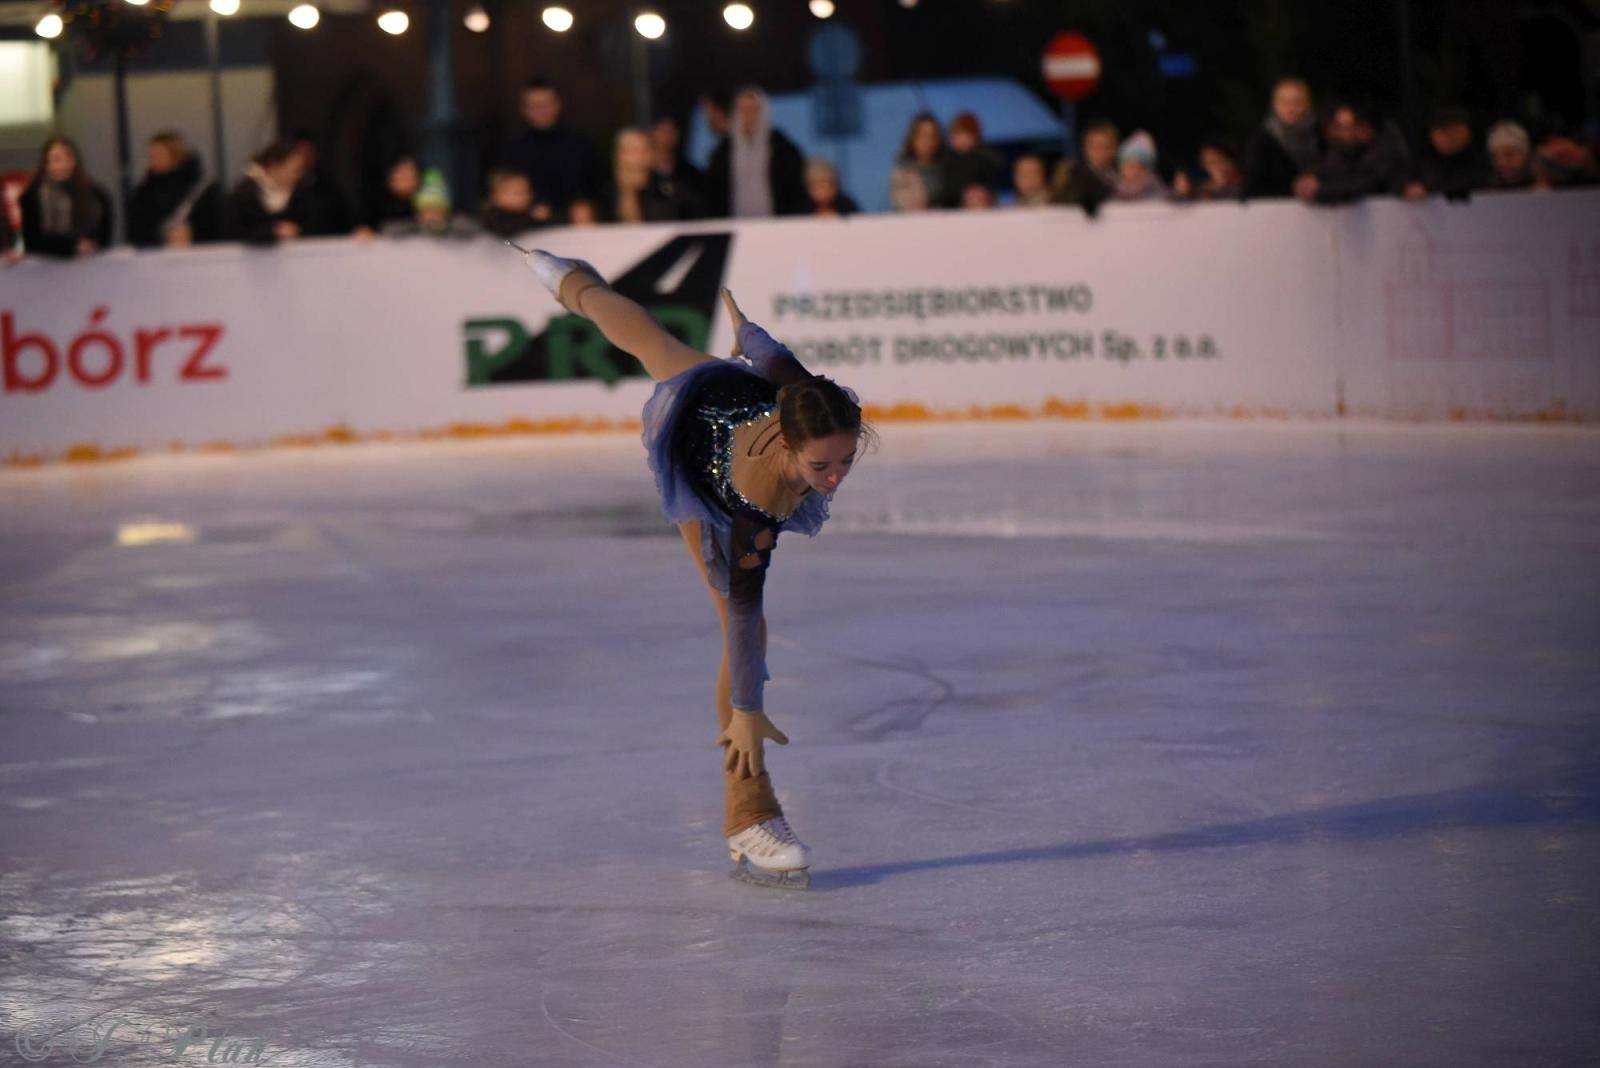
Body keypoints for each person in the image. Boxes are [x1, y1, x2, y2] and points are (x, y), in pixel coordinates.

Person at [518, 247, 877, 889]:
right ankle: (749, 813)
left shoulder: (805, 399)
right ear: (789, 443)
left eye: (846, 462)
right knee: (748, 633)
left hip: (726, 389)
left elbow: (770, 360)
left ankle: (569, 279)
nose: (835, 479)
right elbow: (744, 615)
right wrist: (745, 707)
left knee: (654, 342)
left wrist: (747, 333)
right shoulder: (754, 506)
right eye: (822, 467)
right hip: (700, 463)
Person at [705, 86, 808, 218]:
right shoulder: (722, 153)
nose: (749, 117)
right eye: (744, 111)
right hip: (734, 228)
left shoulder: (784, 149)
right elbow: (714, 194)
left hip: (778, 226)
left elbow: (795, 191)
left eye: (754, 111)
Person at [502, 79, 600, 216]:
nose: (541, 111)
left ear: (558, 105)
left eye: (546, 105)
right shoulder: (513, 149)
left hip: (575, 222)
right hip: (526, 222)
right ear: (524, 110)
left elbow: (595, 187)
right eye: (534, 106)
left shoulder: (580, 144)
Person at [1293, 101, 1409, 205]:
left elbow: (1364, 184)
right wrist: (1309, 179)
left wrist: (1320, 190)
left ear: (1365, 127)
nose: (1341, 134)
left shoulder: (1384, 152)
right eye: (1338, 127)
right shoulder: (1343, 149)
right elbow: (1329, 168)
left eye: (1347, 127)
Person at [19, 137, 113, 259]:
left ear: (75, 161)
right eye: (55, 160)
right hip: (46, 269)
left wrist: (90, 245)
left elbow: (103, 238)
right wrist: (71, 246)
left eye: (67, 158)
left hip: (88, 266)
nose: (62, 165)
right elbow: (33, 242)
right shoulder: (32, 197)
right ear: (46, 164)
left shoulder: (98, 196)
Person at [128, 131, 222, 249]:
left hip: (199, 257)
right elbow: (136, 232)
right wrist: (161, 237)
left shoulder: (204, 189)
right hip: (157, 259)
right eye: (151, 155)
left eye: (158, 154)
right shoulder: (145, 191)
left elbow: (219, 229)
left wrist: (192, 234)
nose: (152, 160)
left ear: (176, 156)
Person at [601, 127, 703, 223]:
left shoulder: (669, 188)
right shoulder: (605, 190)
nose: (639, 158)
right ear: (619, 156)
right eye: (632, 151)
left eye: (644, 150)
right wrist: (628, 192)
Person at [1243, 76, 1322, 198]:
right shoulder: (1261, 140)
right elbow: (1253, 185)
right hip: (1277, 210)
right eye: (1284, 102)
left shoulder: (1321, 135)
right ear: (1275, 105)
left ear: (1307, 104)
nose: (1291, 108)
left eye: (1297, 102)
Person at [228, 141, 313, 244]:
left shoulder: (300, 192)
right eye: (295, 170)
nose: (298, 176)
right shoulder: (246, 193)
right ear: (274, 166)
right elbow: (238, 232)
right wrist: (273, 232)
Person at [1403, 108, 1488, 202]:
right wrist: (1410, 188)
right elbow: (1401, 183)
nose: (1448, 137)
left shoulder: (1481, 162)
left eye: (1454, 131)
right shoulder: (1421, 161)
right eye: (1441, 131)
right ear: (1432, 134)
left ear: (1467, 133)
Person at [1050, 120, 1119, 216]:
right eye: (1096, 147)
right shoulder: (1074, 175)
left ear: (1115, 148)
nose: (1101, 152)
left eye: (1106, 146)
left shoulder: (1121, 173)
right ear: (1085, 149)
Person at [936, 112, 1003, 208]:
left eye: (966, 134)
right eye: (957, 133)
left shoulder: (984, 160)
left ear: (975, 136)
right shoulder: (945, 160)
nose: (961, 138)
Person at [649, 115, 707, 216]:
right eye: (662, 131)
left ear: (677, 135)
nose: (666, 137)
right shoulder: (644, 173)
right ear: (652, 134)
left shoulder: (691, 174)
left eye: (670, 131)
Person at [892, 112, 947, 209]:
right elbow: (908, 206)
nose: (928, 141)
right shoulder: (904, 171)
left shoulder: (948, 168)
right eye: (923, 135)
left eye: (933, 136)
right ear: (913, 138)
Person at [479, 170, 550, 237]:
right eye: (518, 193)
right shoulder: (493, 216)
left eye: (527, 191)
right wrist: (531, 217)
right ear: (496, 196)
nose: (526, 196)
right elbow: (507, 231)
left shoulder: (528, 210)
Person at [365, 155, 423, 232]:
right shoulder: (376, 206)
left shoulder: (427, 203)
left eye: (410, 174)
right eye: (401, 174)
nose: (405, 179)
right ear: (390, 178)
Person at [1172, 142, 1243, 201]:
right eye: (1206, 163)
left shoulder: (1242, 183)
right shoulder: (1203, 187)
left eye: (1215, 161)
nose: (1210, 168)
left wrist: (1223, 187)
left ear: (1228, 162)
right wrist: (1183, 194)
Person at [1112, 130, 1170, 201]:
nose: (1135, 172)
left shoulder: (1155, 185)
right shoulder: (1114, 186)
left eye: (1141, 168)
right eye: (1131, 167)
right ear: (1121, 168)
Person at [1483, 121, 1535, 191]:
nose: (1502, 163)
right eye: (1495, 157)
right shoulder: (1488, 190)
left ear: (1526, 154)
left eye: (1509, 155)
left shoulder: (1546, 185)